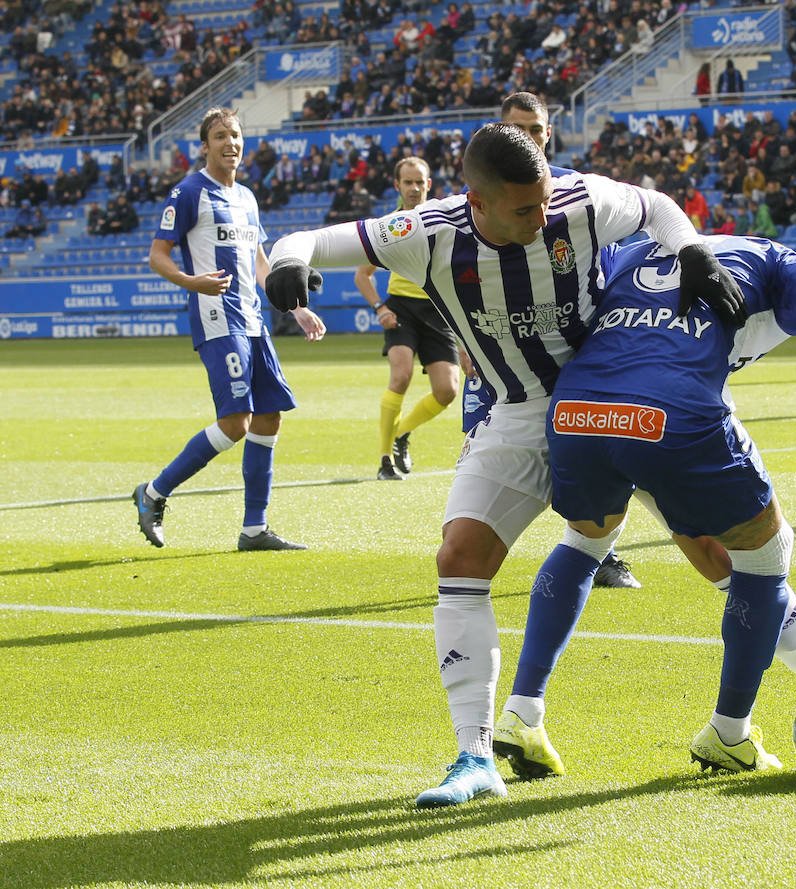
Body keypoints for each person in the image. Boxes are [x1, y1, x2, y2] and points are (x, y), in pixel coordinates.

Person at [264, 123, 748, 808]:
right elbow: (315, 239)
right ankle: (474, 756)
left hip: (608, 399)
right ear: (478, 203)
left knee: (724, 554)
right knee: (459, 555)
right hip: (518, 413)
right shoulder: (429, 231)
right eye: (525, 209)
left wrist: (693, 250)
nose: (543, 215)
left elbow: (659, 206)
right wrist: (286, 263)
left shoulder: (579, 201)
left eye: (545, 199)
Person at [490, 234, 796, 778]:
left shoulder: (628, 253)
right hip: (672, 415)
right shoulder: (774, 264)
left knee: (589, 543)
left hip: (578, 410)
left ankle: (522, 712)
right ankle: (730, 732)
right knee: (766, 556)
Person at [134, 107, 326, 552]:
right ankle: (153, 493)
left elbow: (260, 262)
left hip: (254, 319)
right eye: (220, 136)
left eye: (236, 135)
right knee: (235, 422)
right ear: (205, 146)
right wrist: (192, 282)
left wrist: (293, 307)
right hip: (216, 317)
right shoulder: (188, 192)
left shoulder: (246, 197)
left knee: (268, 417)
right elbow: (157, 255)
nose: (230, 143)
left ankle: (254, 529)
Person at [498, 91, 641, 591]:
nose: (529, 139)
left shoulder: (578, 192)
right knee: (494, 443)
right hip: (512, 350)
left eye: (536, 130)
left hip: (583, 339)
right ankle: (477, 548)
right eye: (518, 130)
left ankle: (602, 552)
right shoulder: (483, 195)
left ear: (548, 134)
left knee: (602, 447)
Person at [355, 156, 461, 480]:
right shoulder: (387, 227)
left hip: (437, 310)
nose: (414, 188)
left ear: (429, 185)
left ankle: (401, 433)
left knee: (448, 391)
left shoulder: (443, 223)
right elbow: (363, 275)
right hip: (400, 308)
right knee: (400, 377)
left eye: (419, 182)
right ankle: (385, 459)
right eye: (408, 182)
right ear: (397, 185)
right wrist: (380, 308)